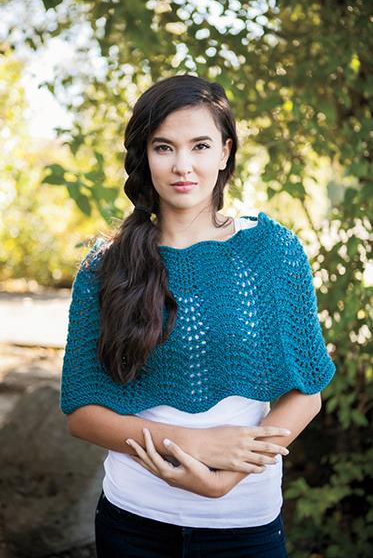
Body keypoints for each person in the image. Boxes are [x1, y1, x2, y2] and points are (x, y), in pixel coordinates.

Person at [60, 74, 336, 557]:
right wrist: (190, 443)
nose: (182, 165)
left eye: (200, 145)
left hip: (245, 525)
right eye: (164, 147)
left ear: (225, 152)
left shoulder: (273, 252)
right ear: (144, 156)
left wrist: (222, 479)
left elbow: (306, 394)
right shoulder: (106, 266)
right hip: (132, 523)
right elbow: (82, 413)